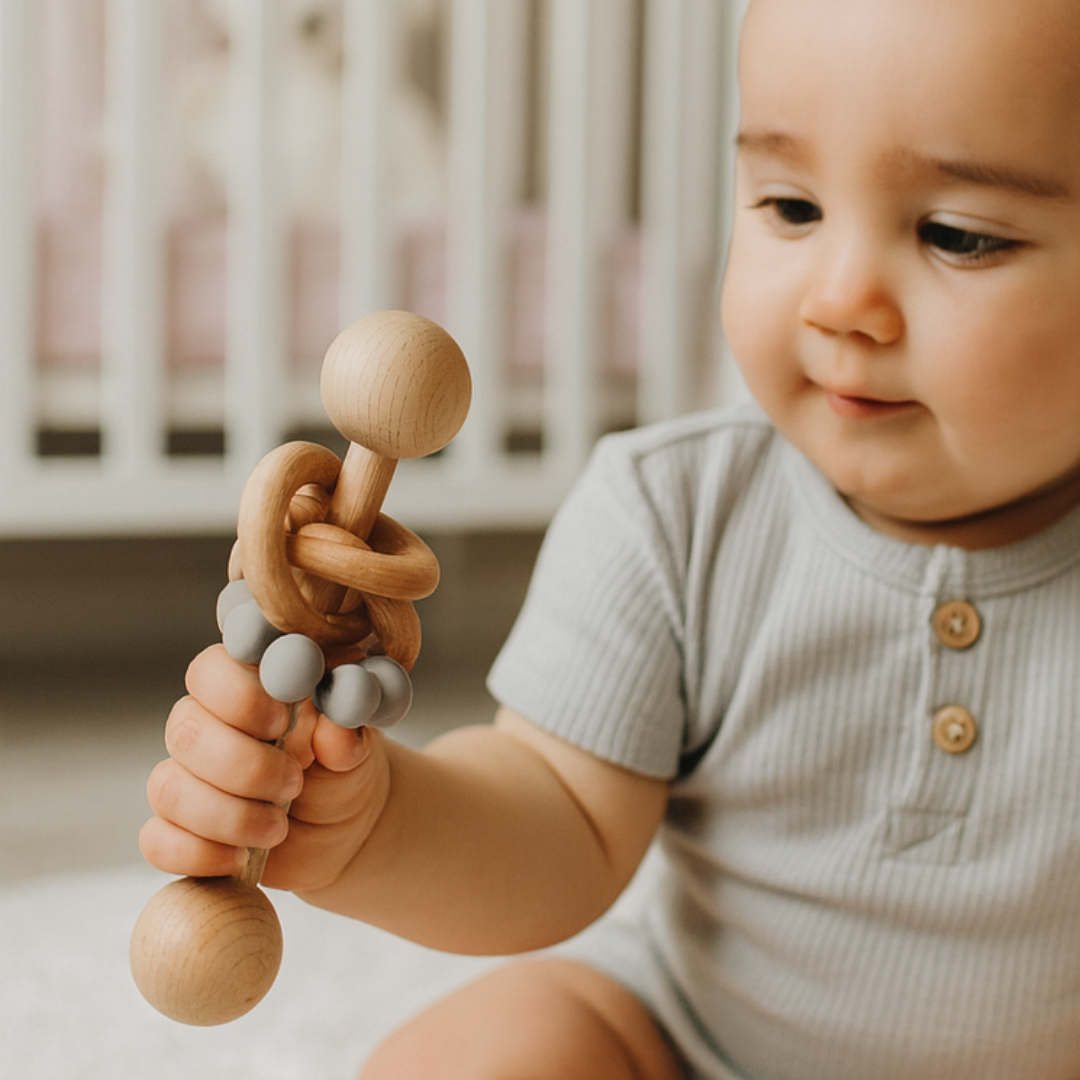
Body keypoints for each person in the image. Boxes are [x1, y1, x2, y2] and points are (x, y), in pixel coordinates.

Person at [139, 0, 1080, 1075]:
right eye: (792, 205)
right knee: (511, 1046)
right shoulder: (672, 515)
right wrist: (372, 820)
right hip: (691, 1041)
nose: (840, 300)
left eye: (957, 234)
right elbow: (562, 827)